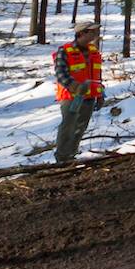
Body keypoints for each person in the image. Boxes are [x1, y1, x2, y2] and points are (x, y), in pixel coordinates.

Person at [52, 21, 104, 163]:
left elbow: (97, 76)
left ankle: (71, 155)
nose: (94, 34)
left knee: (80, 128)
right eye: (91, 31)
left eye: (95, 31)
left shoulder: (93, 51)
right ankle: (62, 158)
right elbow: (61, 74)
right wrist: (75, 87)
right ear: (81, 33)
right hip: (72, 97)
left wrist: (100, 94)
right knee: (68, 127)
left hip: (89, 96)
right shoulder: (65, 50)